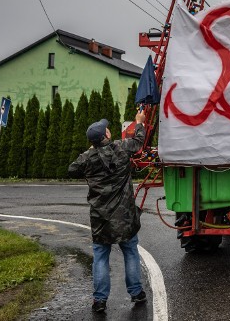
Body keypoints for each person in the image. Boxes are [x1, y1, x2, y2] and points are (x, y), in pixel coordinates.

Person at [69, 112, 147, 313]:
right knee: (130, 252)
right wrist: (139, 123)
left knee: (101, 257)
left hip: (100, 218)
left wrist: (90, 152)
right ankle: (136, 293)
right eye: (106, 128)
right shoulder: (122, 148)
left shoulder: (87, 158)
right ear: (106, 134)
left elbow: (72, 169)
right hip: (125, 217)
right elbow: (139, 142)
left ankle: (100, 300)